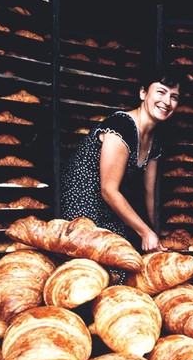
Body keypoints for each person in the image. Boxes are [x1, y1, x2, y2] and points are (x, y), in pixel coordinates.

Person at [60, 64, 183, 282]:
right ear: (143, 93)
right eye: (161, 92)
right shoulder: (121, 126)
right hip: (83, 212)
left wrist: (153, 236)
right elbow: (109, 190)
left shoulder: (154, 141)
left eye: (174, 97)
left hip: (110, 212)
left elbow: (149, 194)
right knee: (112, 274)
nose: (167, 101)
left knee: (138, 263)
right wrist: (145, 233)